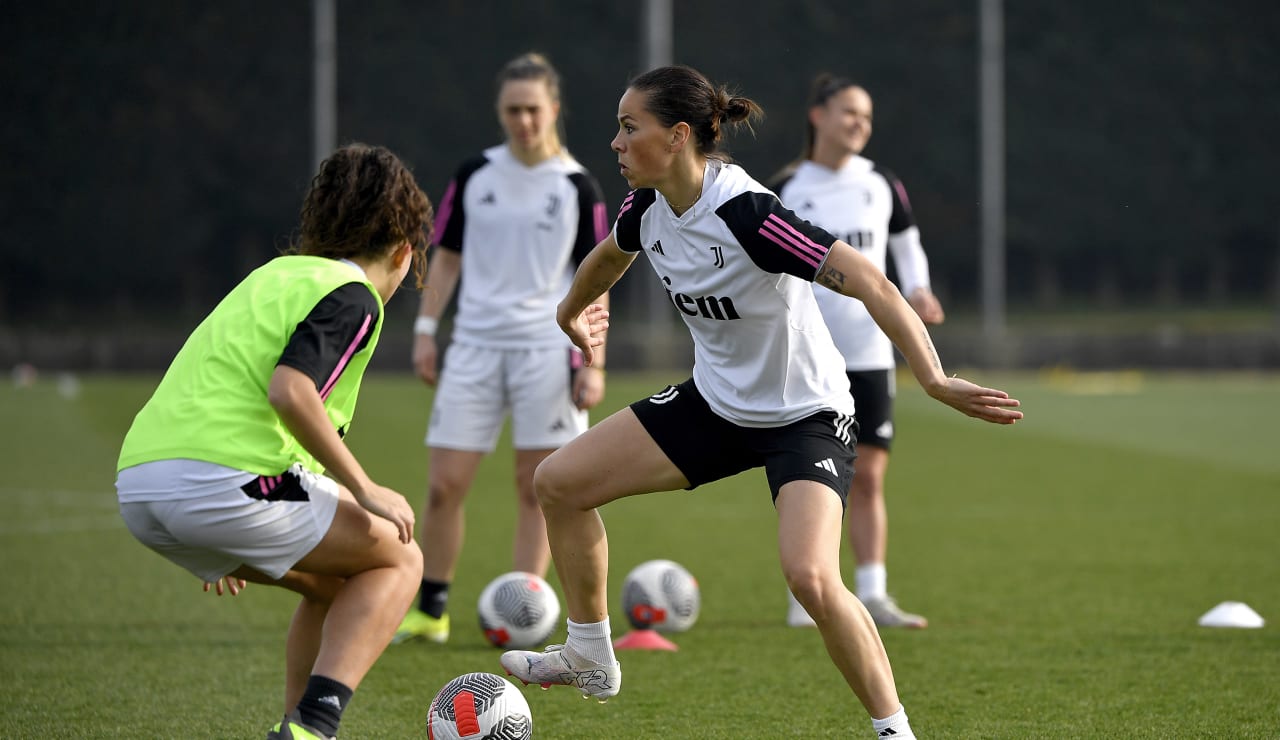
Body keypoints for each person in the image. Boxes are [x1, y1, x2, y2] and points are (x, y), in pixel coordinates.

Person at [497, 65, 1022, 739]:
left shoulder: (749, 214)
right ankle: (590, 653)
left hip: (805, 416)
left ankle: (895, 732)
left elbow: (873, 284)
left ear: (679, 135)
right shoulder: (647, 204)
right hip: (716, 407)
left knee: (809, 576)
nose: (616, 143)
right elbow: (607, 257)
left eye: (631, 128)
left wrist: (934, 377)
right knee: (558, 484)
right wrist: (573, 311)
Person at [115, 143, 431, 740]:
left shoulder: (272, 276)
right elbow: (291, 391)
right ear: (403, 250)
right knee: (400, 554)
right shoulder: (354, 293)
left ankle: (293, 728)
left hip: (141, 483)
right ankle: (315, 724)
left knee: (335, 583)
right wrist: (366, 490)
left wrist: (208, 520)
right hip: (218, 482)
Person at [394, 52, 610, 645]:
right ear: (500, 111)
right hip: (474, 347)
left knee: (536, 486)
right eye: (513, 110)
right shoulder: (474, 175)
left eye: (533, 109)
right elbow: (447, 256)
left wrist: (595, 359)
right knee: (444, 484)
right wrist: (424, 331)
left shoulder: (576, 184)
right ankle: (431, 609)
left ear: (554, 110)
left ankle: (523, 613)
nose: (523, 121)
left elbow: (597, 276)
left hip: (549, 349)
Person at [771, 74, 944, 630]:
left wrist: (918, 291)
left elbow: (905, 246)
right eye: (849, 112)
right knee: (809, 474)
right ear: (817, 116)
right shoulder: (787, 187)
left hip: (871, 354)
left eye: (866, 116)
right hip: (808, 355)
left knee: (867, 477)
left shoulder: (882, 183)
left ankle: (872, 591)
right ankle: (807, 593)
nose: (860, 125)